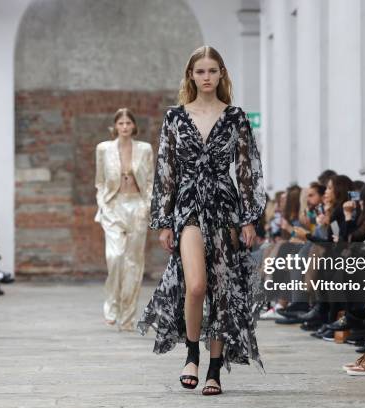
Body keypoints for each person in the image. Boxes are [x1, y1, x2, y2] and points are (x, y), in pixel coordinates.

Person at [137, 45, 266, 396]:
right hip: (188, 205)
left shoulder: (236, 116)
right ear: (190, 76)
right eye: (200, 71)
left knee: (223, 290)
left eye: (212, 71)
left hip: (225, 206)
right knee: (196, 285)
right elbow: (165, 169)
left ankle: (214, 370)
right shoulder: (175, 117)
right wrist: (164, 221)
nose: (206, 77)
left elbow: (248, 168)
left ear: (221, 73)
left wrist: (251, 218)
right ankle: (192, 352)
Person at [94, 108, 154, 332]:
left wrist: (148, 207)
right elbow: (99, 181)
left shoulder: (145, 149)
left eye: (129, 123)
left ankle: (128, 316)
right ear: (115, 126)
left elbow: (149, 181)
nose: (125, 127)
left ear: (134, 126)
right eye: (121, 123)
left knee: (134, 263)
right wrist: (103, 203)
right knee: (115, 256)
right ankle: (112, 305)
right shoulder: (103, 149)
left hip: (137, 205)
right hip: (113, 205)